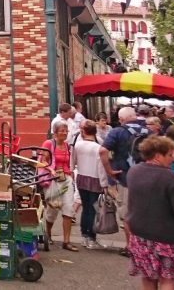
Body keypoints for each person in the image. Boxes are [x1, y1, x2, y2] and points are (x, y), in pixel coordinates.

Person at [126, 136, 174, 290]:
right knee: (168, 279)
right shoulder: (171, 178)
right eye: (170, 155)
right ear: (158, 155)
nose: (172, 159)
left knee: (148, 276)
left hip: (140, 235)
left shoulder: (134, 171)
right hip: (167, 239)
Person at [103, 106, 145, 257]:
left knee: (127, 214)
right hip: (147, 179)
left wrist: (109, 171)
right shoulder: (149, 130)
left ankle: (131, 247)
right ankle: (145, 246)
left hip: (125, 177)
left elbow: (103, 151)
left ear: (121, 119)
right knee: (145, 212)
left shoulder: (117, 132)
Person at [72, 120, 116, 249]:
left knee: (86, 208)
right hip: (95, 179)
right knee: (93, 209)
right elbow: (101, 167)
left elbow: (73, 161)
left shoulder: (78, 145)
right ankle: (91, 237)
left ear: (84, 131)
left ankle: (84, 236)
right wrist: (104, 184)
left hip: (81, 177)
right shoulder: (98, 146)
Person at [42, 120, 77, 251]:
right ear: (55, 132)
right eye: (62, 130)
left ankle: (66, 241)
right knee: (52, 210)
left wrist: (71, 175)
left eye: (66, 131)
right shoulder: (49, 143)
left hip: (66, 179)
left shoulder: (67, 146)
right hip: (52, 180)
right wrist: (51, 170)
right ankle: (48, 233)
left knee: (68, 208)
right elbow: (42, 161)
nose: (64, 133)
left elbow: (69, 163)